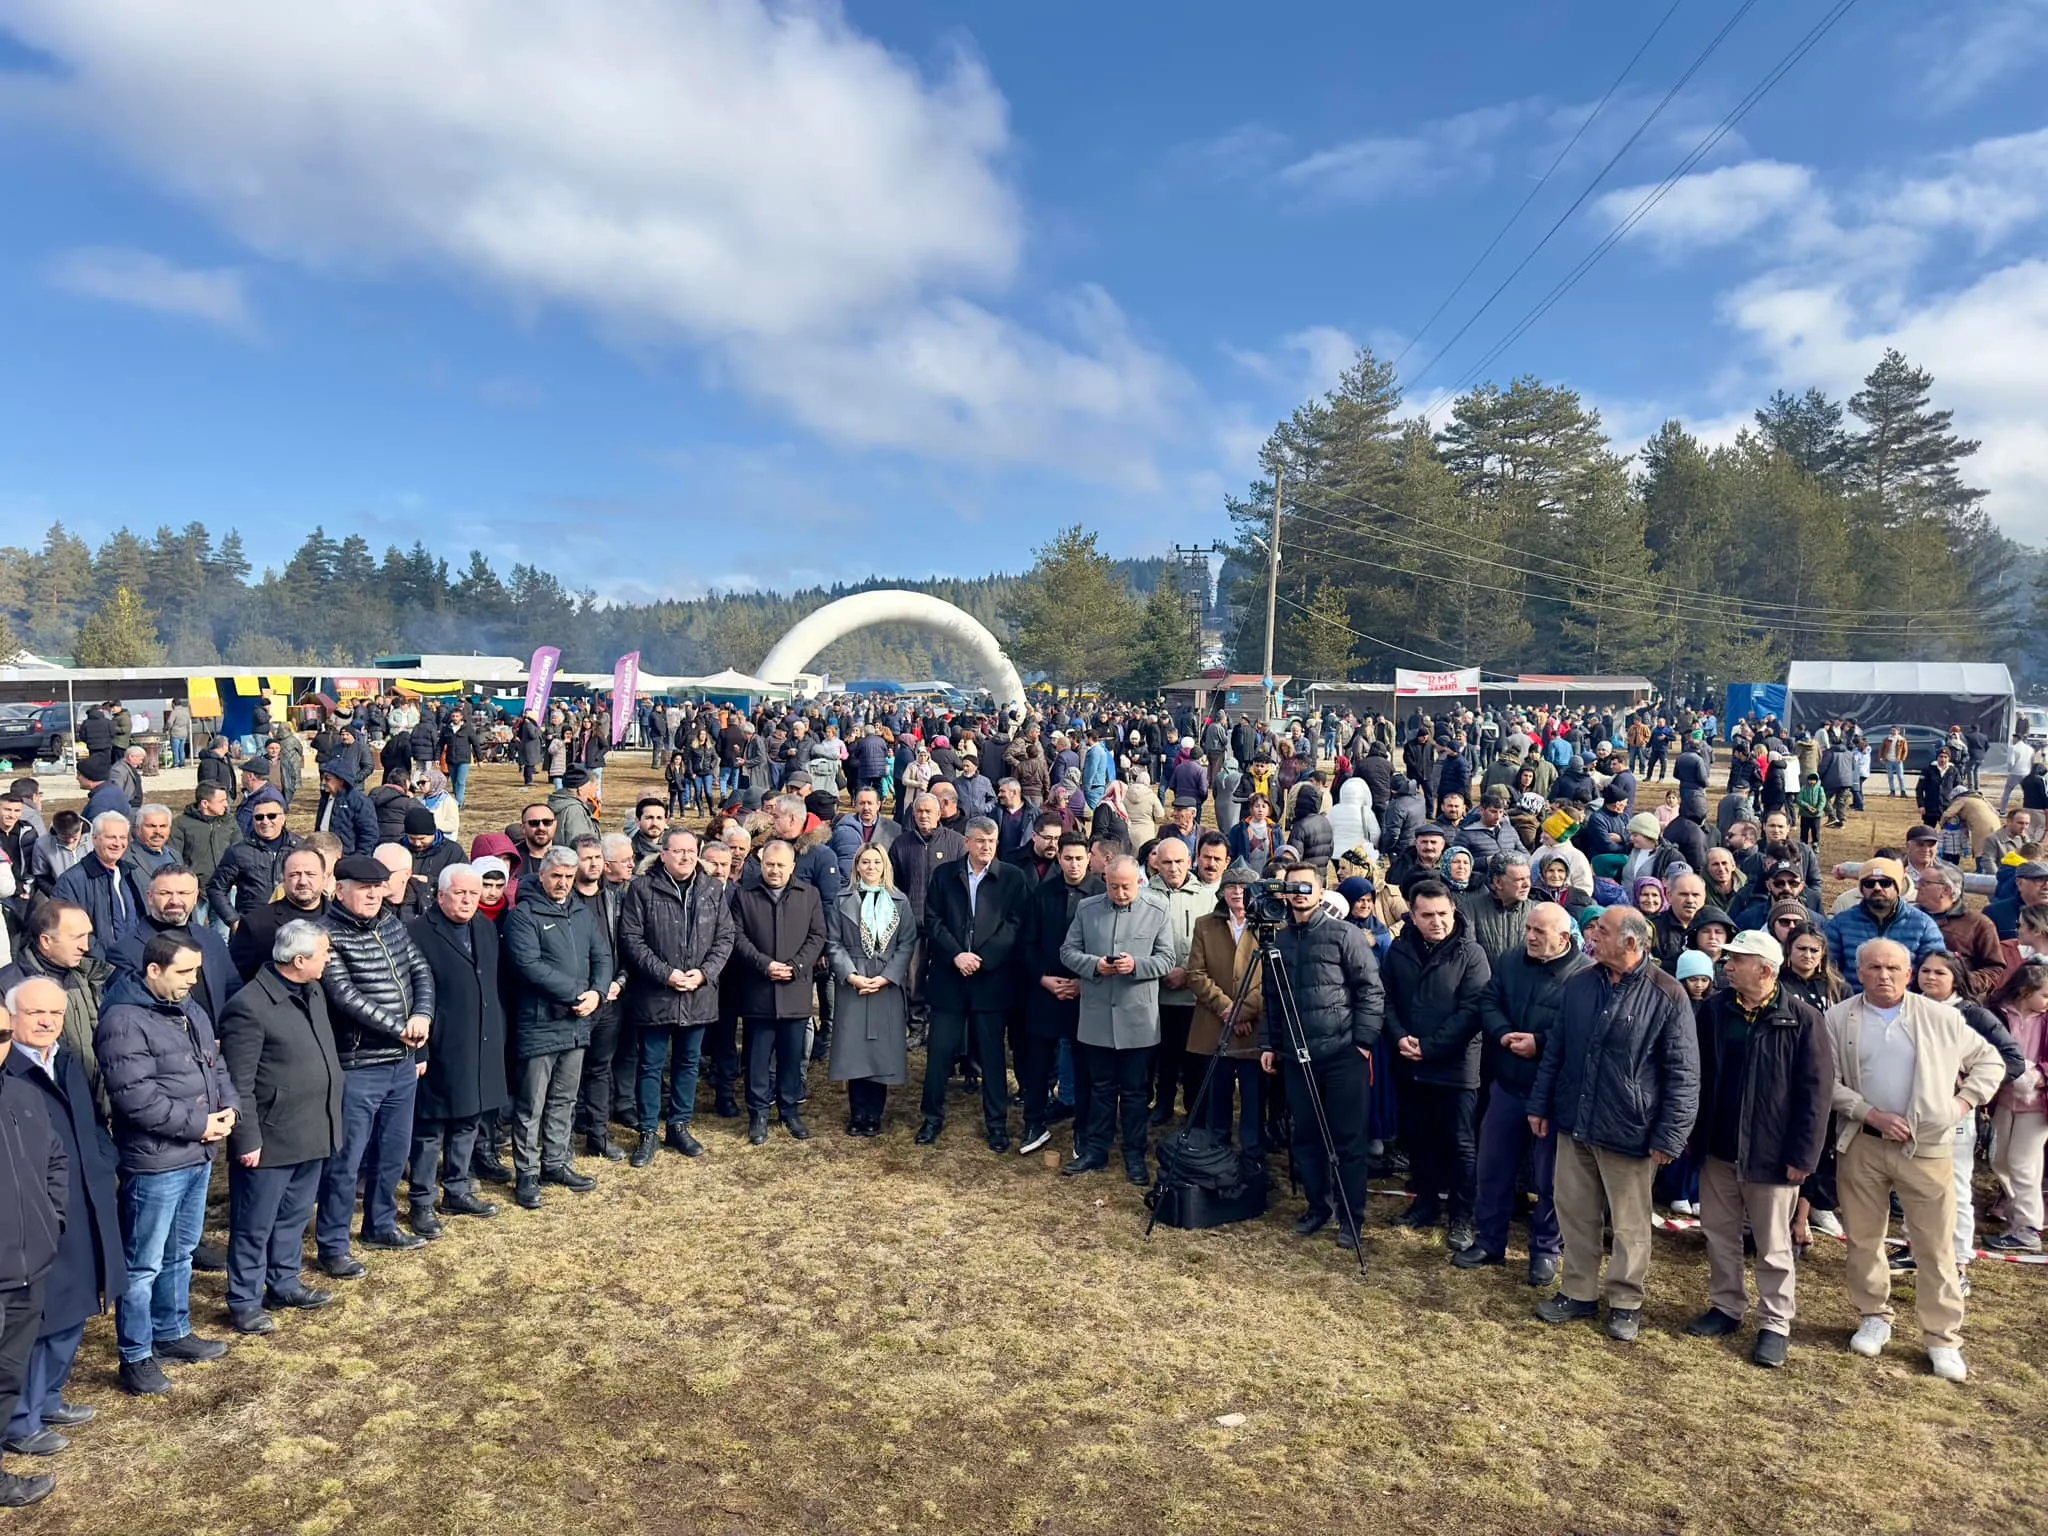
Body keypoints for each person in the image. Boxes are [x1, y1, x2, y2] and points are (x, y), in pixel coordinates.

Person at [1826, 937, 2003, 1382]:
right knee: (1864, 1239)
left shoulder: (1941, 1017)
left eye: (1892, 968)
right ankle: (1874, 1316)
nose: (1883, 975)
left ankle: (1942, 1338)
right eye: (1873, 968)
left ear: (1908, 974)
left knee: (1935, 1247)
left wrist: (1960, 1106)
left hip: (1927, 1148)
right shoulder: (1838, 1017)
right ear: (1858, 972)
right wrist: (1871, 1114)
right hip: (1863, 1143)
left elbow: (1991, 1063)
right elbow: (1824, 1081)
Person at [1529, 906, 1699, 1343]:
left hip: (1631, 1131)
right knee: (1575, 1211)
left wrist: (1670, 1135)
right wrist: (1541, 1105)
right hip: (1575, 1121)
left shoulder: (1668, 995)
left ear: (1630, 943)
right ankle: (1578, 1290)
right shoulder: (1580, 984)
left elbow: (1683, 1072)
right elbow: (1557, 1051)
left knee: (1629, 1223)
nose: (1591, 936)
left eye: (1600, 931)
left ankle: (1625, 1301)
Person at [96, 934, 240, 1395]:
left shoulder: (190, 1010)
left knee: (180, 1254)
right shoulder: (123, 1021)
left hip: (196, 1154)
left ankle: (173, 1331)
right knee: (143, 1265)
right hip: (157, 1163)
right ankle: (136, 1356)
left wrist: (228, 1107)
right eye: (184, 973)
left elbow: (215, 1065)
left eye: (196, 972)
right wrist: (201, 1124)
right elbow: (136, 1099)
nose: (193, 982)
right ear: (153, 971)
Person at [1681, 930, 1833, 1368]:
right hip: (1717, 1147)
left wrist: (1804, 1158)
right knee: (1720, 1234)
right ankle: (1726, 1306)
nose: (1726, 966)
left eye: (1736, 960)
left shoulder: (1803, 1020)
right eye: (1727, 959)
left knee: (1772, 1244)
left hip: (1771, 1154)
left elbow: (1816, 1095)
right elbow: (1698, 1076)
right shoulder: (1713, 1011)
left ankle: (1775, 1323)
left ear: (1765, 969)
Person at [1, 977, 120, 1461]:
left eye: (55, 1013)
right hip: (40, 1219)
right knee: (41, 1320)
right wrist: (50, 1212)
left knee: (77, 1309)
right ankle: (21, 1420)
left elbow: (90, 1124)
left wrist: (103, 1160)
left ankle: (50, 1399)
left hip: (86, 1198)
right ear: (13, 1020)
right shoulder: (13, 1073)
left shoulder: (66, 1061)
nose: (48, 1022)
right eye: (35, 1015)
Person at [215, 921, 343, 1335]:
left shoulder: (313, 991)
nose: (329, 959)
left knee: (293, 1216)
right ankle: (244, 1300)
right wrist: (247, 1139)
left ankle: (284, 1282)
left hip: (312, 1128)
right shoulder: (248, 1007)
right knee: (255, 1224)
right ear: (300, 960)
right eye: (324, 953)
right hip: (270, 1137)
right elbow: (239, 1082)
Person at [316, 854, 436, 1274]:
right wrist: (398, 1028)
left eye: (378, 886)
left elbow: (420, 969)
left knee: (392, 1152)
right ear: (340, 889)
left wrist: (422, 1015)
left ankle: (380, 1224)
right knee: (345, 1162)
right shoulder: (327, 933)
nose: (372, 893)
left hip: (401, 1064)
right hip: (358, 1066)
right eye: (362, 886)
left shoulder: (390, 923)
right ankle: (332, 1244)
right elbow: (344, 996)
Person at [1257, 861, 1384, 1250]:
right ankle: (1318, 1207)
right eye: (1292, 887)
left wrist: (1361, 1043)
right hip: (1298, 1058)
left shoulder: (1344, 935)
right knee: (1307, 1137)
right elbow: (1271, 999)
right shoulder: (1276, 942)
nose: (1298, 894)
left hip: (1342, 1054)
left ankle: (1351, 1217)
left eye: (1305, 887)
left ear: (1321, 890)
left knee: (1348, 1142)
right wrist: (1269, 1043)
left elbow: (1371, 990)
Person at [1460, 902, 1588, 1285]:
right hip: (1508, 1085)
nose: (1530, 936)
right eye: (1528, 928)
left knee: (1551, 1179)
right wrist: (1502, 1034)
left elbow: (1580, 1034)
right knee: (1493, 1167)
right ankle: (1489, 1241)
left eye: (1540, 932)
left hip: (1552, 1095)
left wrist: (1539, 1043)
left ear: (1564, 938)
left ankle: (1546, 1251)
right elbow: (1490, 1000)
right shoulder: (1512, 960)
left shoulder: (1583, 977)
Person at [1383, 880, 1492, 1251]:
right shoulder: (1399, 951)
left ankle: (1463, 1216)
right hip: (1409, 1062)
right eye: (1427, 915)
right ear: (1412, 916)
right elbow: (1386, 1000)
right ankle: (1425, 1203)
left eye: (1443, 914)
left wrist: (1429, 1048)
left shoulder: (1471, 954)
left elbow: (1472, 1011)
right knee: (1418, 1137)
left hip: (1456, 1067)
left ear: (1453, 911)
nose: (1437, 922)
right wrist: (1399, 1037)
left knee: (1459, 1143)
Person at [504, 846, 615, 1206]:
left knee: (565, 1099)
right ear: (544, 874)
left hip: (576, 1023)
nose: (563, 883)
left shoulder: (580, 913)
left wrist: (597, 992)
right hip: (539, 1023)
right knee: (531, 1104)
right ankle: (528, 1173)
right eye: (557, 876)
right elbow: (527, 965)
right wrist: (575, 993)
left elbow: (602, 955)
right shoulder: (524, 915)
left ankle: (556, 1162)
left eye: (569, 877)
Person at [618, 829, 733, 1164]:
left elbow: (725, 936)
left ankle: (679, 1125)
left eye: (691, 851)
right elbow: (632, 939)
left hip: (698, 992)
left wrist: (705, 973)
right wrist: (665, 973)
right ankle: (648, 1131)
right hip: (656, 992)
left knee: (688, 1062)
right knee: (652, 1064)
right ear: (663, 853)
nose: (685, 857)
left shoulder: (712, 888)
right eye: (678, 851)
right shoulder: (642, 888)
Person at [1061, 855, 1177, 1185]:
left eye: (1126, 887)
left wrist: (1136, 966)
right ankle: (1095, 1150)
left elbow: (1167, 959)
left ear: (1139, 882)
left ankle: (1134, 1154)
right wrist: (1094, 965)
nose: (1120, 893)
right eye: (1113, 886)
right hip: (1097, 1017)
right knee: (1099, 1089)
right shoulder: (1087, 909)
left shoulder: (1156, 910)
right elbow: (1067, 952)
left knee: (1135, 1092)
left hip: (1138, 1020)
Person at [405, 866, 509, 1230]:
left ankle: (457, 1188)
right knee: (431, 1128)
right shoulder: (417, 932)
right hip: (440, 1043)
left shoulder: (483, 926)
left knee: (469, 1119)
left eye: (473, 894)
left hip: (481, 1040)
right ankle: (421, 1199)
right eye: (460, 893)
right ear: (441, 894)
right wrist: (420, 1050)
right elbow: (413, 995)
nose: (468, 900)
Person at [916, 816, 1029, 1151]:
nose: (986, 848)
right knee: (939, 1053)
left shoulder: (1011, 877)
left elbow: (1015, 923)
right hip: (950, 978)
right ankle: (931, 1118)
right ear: (966, 842)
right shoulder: (944, 875)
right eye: (980, 841)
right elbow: (932, 920)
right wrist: (957, 955)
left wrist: (983, 958)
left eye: (992, 842)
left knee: (992, 1057)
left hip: (990, 980)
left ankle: (996, 1124)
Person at [0, 987, 64, 1509]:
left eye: (3, 1034)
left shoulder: (22, 1094)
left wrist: (52, 1224)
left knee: (6, 1377)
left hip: (28, 1271)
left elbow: (55, 1163)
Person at [728, 840, 826, 1146]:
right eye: (770, 864)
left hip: (795, 991)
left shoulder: (809, 895)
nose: (774, 870)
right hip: (759, 990)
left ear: (792, 867)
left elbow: (818, 935)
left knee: (791, 1056)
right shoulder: (745, 896)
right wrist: (764, 964)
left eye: (781, 865)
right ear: (762, 863)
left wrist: (796, 966)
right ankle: (758, 1113)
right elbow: (737, 936)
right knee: (757, 1058)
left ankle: (789, 1111)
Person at [1017, 833, 1099, 1156]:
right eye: (1068, 858)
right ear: (1059, 859)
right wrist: (1044, 979)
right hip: (1046, 991)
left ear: (1089, 859)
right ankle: (1034, 1123)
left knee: (1084, 1064)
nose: (1074, 864)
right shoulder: (1042, 893)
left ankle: (1083, 1128)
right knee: (1038, 1062)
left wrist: (1083, 981)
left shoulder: (1101, 894)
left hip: (1086, 993)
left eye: (1080, 858)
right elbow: (1027, 943)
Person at [825, 844, 915, 1137]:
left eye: (877, 862)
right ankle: (857, 1113)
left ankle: (874, 1114)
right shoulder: (842, 900)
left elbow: (907, 943)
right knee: (854, 1050)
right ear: (857, 867)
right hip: (854, 982)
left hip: (885, 985)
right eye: (866, 862)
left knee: (880, 1052)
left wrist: (888, 977)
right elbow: (833, 942)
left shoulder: (899, 901)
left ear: (885, 866)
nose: (871, 867)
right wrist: (851, 975)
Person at [1185, 862, 1265, 1164]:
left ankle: (1253, 1156)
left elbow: (1272, 978)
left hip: (1254, 1028)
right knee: (1217, 1095)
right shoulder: (1206, 924)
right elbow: (1196, 972)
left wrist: (1242, 1013)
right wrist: (1227, 1009)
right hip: (1215, 1025)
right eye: (1232, 886)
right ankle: (1217, 1153)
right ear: (1222, 890)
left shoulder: (1269, 926)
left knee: (1253, 1097)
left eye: (1244, 887)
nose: (1238, 892)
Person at [1983, 960, 2048, 1254]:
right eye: (2045, 994)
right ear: (2025, 991)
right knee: (1999, 1159)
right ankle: (2019, 1212)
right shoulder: (1998, 1013)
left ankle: (2029, 1227)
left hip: (2037, 1103)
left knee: (2024, 1162)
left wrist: (2039, 1075)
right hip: (2004, 1099)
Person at [1827, 857, 1943, 983]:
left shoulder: (1923, 925)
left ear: (1897, 887)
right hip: (1854, 999)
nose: (1877, 888)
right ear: (1861, 888)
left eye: (1885, 883)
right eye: (1869, 883)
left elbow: (1935, 972)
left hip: (1908, 1000)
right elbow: (1829, 971)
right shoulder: (1840, 924)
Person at [52, 811, 146, 958]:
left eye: (122, 837)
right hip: (99, 968)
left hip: (133, 961)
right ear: (94, 839)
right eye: (110, 837)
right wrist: (100, 960)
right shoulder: (72, 880)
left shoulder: (131, 873)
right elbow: (68, 927)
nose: (118, 843)